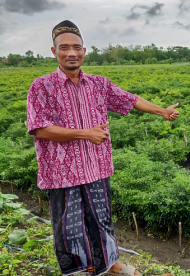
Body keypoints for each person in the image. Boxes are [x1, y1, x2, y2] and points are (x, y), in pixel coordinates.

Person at [26, 20, 179, 276]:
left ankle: (110, 265)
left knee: (101, 221)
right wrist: (85, 133)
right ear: (54, 52)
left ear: (84, 51)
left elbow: (129, 98)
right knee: (68, 227)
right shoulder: (41, 86)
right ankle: (77, 271)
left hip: (96, 167)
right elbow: (40, 128)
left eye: (77, 47)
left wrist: (161, 111)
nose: (71, 53)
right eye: (64, 48)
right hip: (62, 173)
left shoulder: (99, 84)